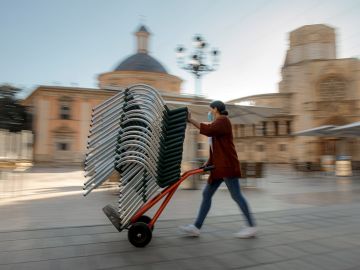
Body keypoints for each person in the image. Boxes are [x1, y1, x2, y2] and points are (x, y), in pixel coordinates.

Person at [179, 100, 257, 238]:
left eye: (211, 109)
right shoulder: (217, 123)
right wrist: (207, 164)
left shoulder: (223, 121)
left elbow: (208, 131)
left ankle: (251, 226)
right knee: (207, 194)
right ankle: (196, 227)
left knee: (236, 195)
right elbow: (216, 150)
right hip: (218, 167)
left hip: (227, 166)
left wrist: (191, 120)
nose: (209, 112)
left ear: (216, 109)